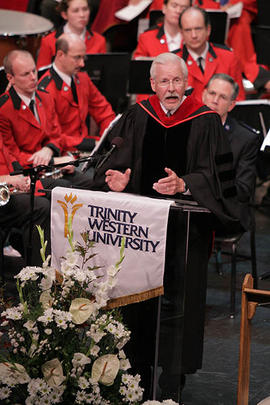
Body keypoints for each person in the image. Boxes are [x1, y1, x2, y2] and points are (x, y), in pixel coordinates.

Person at [92, 52, 243, 401]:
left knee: (179, 307)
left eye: (177, 81)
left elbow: (219, 182)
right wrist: (118, 180)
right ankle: (135, 377)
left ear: (188, 82)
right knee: (137, 306)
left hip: (184, 236)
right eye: (164, 81)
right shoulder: (137, 116)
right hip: (140, 235)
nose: (171, 89)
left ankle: (173, 382)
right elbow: (113, 164)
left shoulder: (206, 122)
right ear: (152, 84)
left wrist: (185, 184)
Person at [0, 50, 92, 190]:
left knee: (95, 183)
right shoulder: (4, 109)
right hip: (28, 174)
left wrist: (48, 150)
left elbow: (56, 136)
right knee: (67, 191)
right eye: (26, 74)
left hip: (50, 168)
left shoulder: (45, 96)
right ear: (10, 78)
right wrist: (53, 161)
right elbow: (12, 155)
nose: (33, 78)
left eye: (34, 71)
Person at [38, 34, 116, 154]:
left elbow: (104, 112)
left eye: (83, 58)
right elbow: (53, 137)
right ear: (60, 55)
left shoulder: (83, 79)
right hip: (64, 155)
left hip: (87, 151)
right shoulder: (45, 89)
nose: (82, 64)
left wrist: (108, 137)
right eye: (77, 58)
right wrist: (92, 144)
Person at [202, 73, 261, 229]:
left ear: (232, 105)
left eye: (222, 97)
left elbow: (243, 190)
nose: (214, 101)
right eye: (212, 93)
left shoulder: (246, 139)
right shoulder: (185, 126)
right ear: (204, 94)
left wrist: (205, 185)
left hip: (224, 211)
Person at [193, 0, 270, 93]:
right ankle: (255, 73)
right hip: (207, 8)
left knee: (239, 22)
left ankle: (253, 72)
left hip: (239, 13)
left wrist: (233, 4)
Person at [0, 134, 51, 268]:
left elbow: (7, 155)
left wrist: (19, 177)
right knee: (39, 207)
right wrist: (5, 179)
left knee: (48, 194)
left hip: (4, 188)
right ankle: (36, 277)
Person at [178, 6, 246, 101]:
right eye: (188, 30)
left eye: (198, 29)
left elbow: (238, 99)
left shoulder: (228, 57)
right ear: (181, 33)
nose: (194, 35)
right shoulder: (174, 61)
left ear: (208, 30)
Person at [37, 0, 106, 71]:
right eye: (75, 11)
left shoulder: (100, 40)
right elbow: (41, 72)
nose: (82, 15)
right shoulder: (48, 41)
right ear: (64, 15)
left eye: (85, 9)